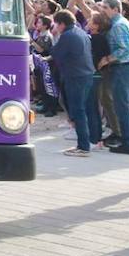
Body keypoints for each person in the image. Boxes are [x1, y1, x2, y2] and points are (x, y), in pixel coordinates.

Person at [98, 0, 129, 155]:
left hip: (122, 68)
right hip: (128, 68)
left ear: (115, 9)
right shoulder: (125, 24)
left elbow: (123, 49)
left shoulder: (118, 26)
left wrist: (106, 59)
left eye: (105, 8)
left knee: (122, 107)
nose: (103, 10)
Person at [50, 9, 97, 156]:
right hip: (87, 74)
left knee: (78, 110)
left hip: (75, 76)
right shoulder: (81, 32)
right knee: (87, 109)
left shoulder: (67, 36)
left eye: (57, 25)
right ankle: (91, 141)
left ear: (62, 24)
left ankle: (83, 147)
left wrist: (54, 37)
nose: (56, 28)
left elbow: (56, 53)